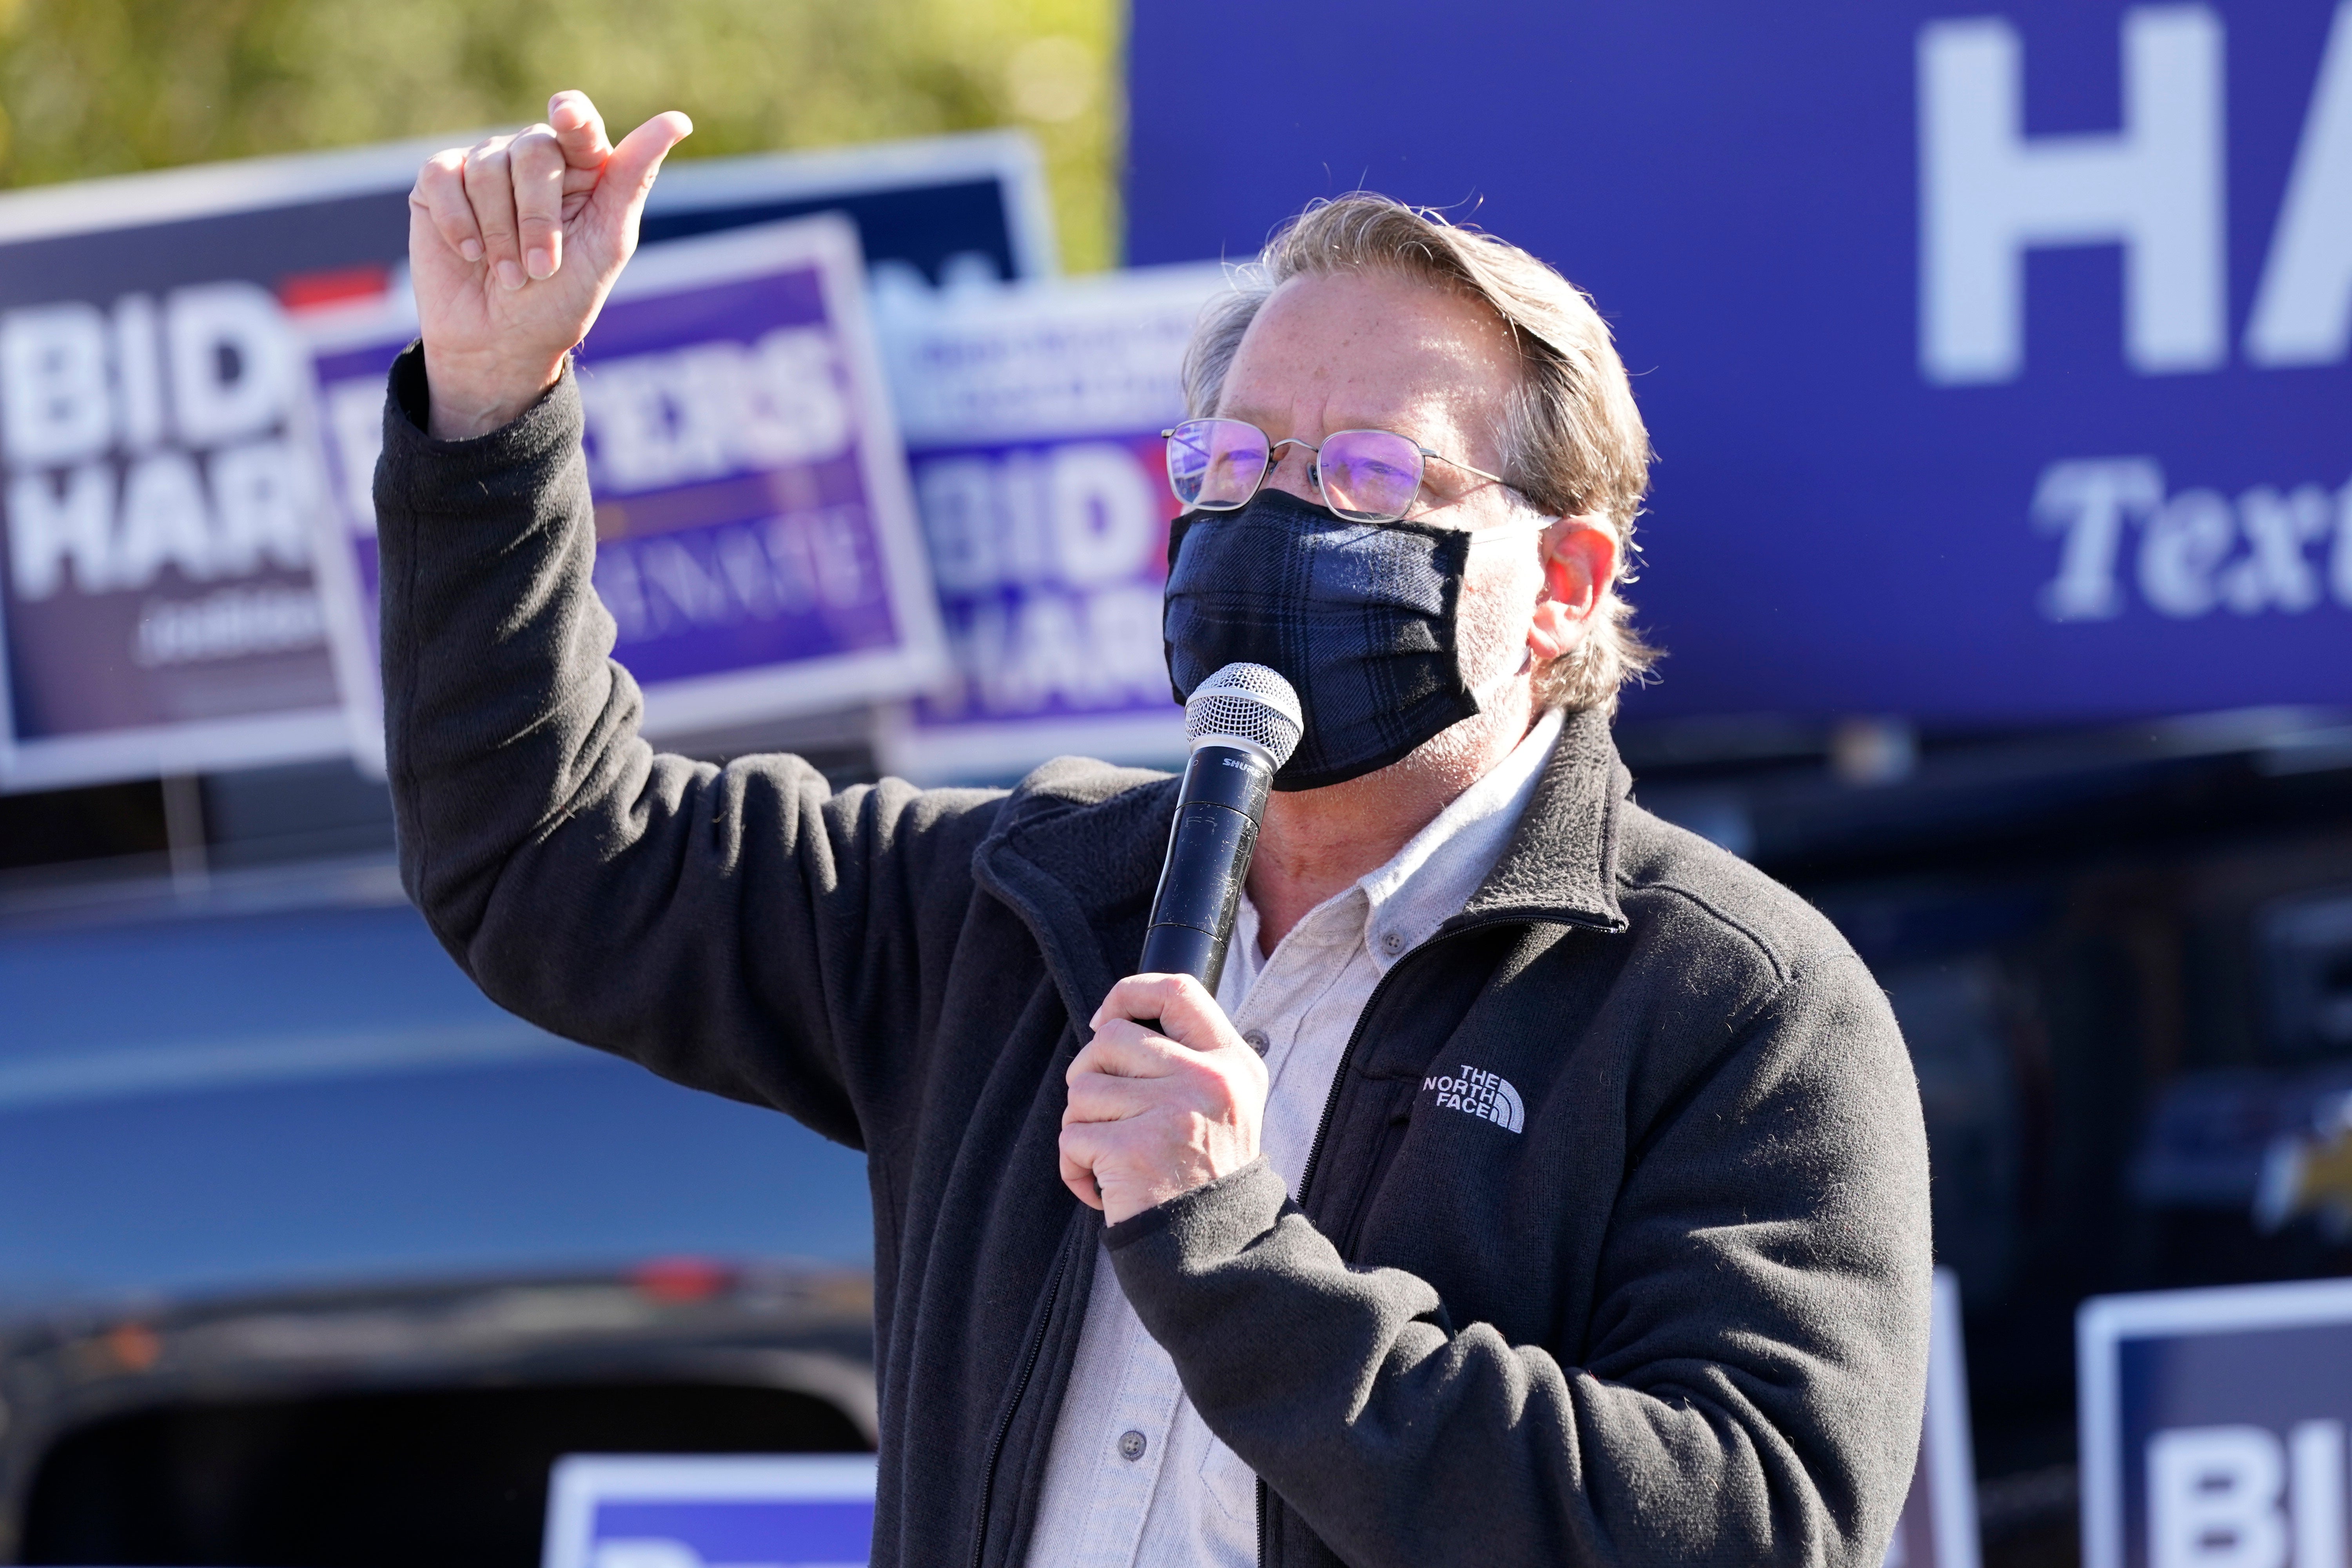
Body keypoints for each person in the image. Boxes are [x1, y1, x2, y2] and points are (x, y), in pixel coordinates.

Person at [388, 91, 1931, 1568]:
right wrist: (491, 406)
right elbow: (546, 854)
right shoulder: (1018, 903)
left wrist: (1238, 1257)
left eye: (1370, 474)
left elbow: (1751, 1530)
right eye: (1234, 463)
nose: (1280, 521)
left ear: (1565, 588)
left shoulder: (1734, 1008)